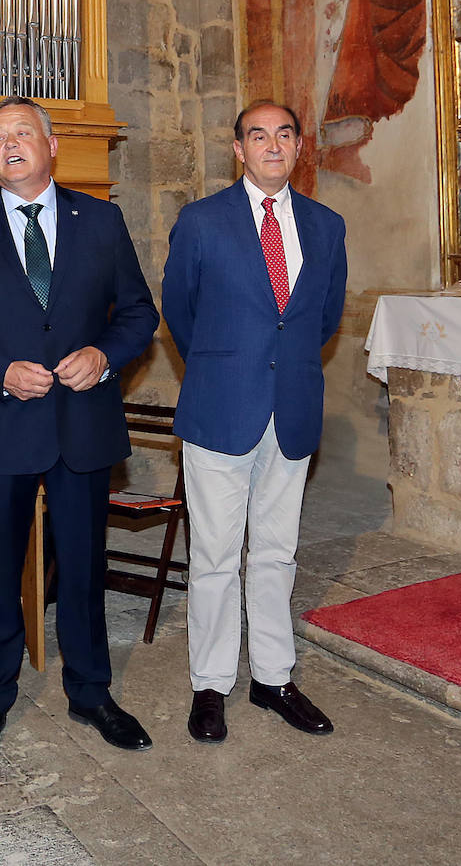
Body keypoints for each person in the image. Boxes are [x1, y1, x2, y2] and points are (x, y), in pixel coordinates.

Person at [0, 96, 159, 764]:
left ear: (51, 146)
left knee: (83, 566)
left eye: (23, 133)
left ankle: (91, 693)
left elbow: (139, 314)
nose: (11, 145)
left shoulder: (102, 220)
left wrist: (105, 355)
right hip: (3, 423)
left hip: (83, 421)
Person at [162, 100, 347, 744]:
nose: (271, 145)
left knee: (277, 551)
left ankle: (273, 677)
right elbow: (179, 313)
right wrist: (223, 366)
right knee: (214, 555)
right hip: (220, 407)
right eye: (257, 135)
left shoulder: (327, 227)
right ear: (238, 149)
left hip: (291, 408)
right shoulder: (202, 221)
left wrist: (279, 367)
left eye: (284, 135)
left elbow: (322, 320)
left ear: (299, 147)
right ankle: (210, 685)